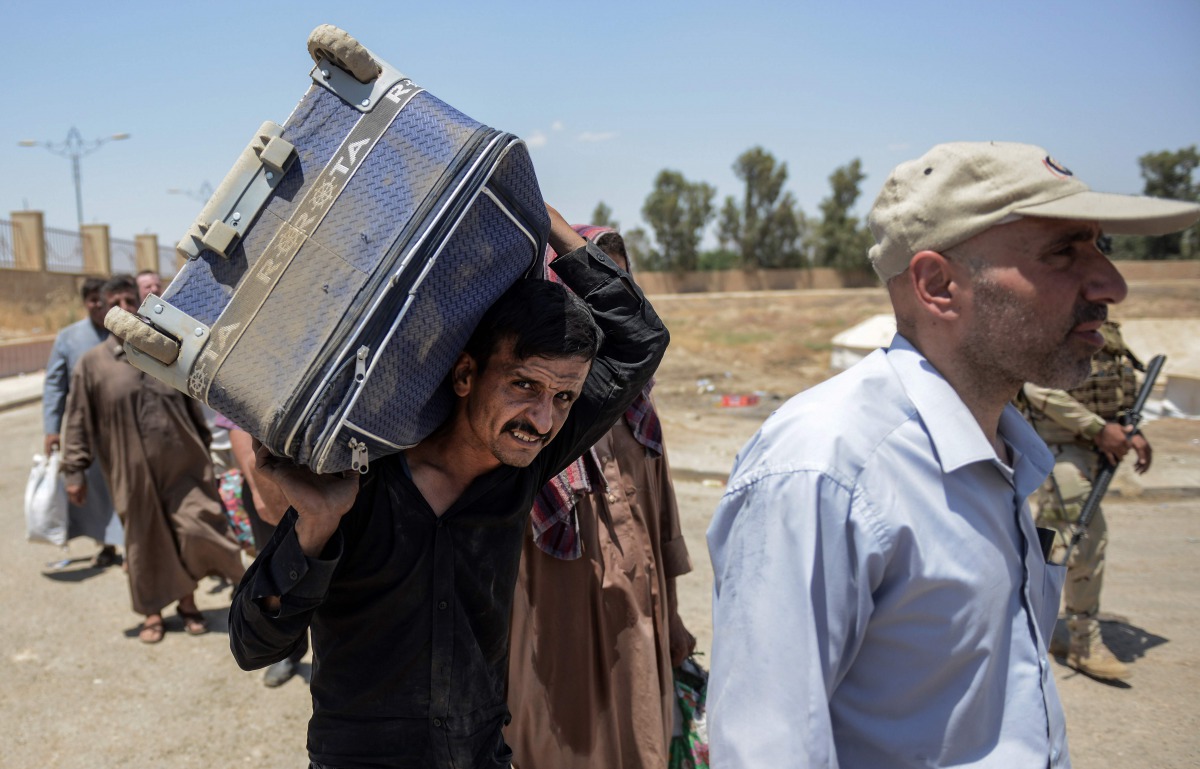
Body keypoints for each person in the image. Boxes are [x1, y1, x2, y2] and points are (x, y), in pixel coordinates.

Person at [706, 142, 1200, 768]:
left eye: (1102, 248)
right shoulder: (827, 468)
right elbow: (767, 750)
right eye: (1064, 253)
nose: (1113, 284)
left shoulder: (1003, 446)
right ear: (938, 285)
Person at [228, 205, 669, 769]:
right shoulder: (358, 475)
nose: (541, 419)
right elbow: (253, 646)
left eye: (563, 397)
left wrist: (539, 215)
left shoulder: (526, 462)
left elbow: (638, 341)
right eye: (524, 384)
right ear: (465, 375)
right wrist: (315, 528)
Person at [505, 227, 695, 769]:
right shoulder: (538, 419)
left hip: (640, 621)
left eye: (619, 283)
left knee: (641, 738)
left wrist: (675, 619)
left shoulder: (640, 411)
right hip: (554, 631)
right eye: (593, 285)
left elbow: (663, 522)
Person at [61, 274, 246, 644]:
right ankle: (152, 614)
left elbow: (193, 408)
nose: (126, 309)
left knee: (195, 529)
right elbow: (78, 419)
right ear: (104, 309)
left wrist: (207, 451)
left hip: (184, 464)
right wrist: (74, 471)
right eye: (117, 302)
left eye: (132, 301)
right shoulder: (92, 365)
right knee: (146, 543)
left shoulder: (165, 349)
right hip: (131, 472)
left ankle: (190, 603)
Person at [1020, 320, 1151, 682]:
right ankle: (1083, 642)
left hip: (1096, 445)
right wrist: (1098, 428)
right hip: (1058, 448)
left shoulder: (1104, 330)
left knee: (1051, 541)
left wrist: (1129, 430)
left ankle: (1034, 624)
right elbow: (1034, 387)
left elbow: (1113, 387)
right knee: (1085, 535)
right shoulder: (1047, 319)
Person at [42, 277, 121, 567]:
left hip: (126, 427)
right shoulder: (69, 338)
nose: (98, 306)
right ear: (85, 303)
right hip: (89, 431)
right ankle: (108, 545)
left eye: (102, 299)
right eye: (92, 301)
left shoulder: (125, 332)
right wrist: (51, 429)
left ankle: (132, 546)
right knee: (99, 493)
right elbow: (54, 386)